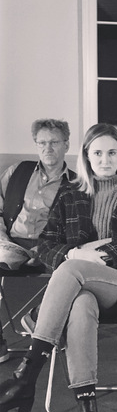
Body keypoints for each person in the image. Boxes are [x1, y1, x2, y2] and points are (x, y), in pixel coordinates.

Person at [0, 123, 117, 412]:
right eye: (98, 153)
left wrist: (100, 255)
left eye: (112, 152)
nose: (105, 159)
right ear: (87, 156)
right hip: (79, 290)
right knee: (80, 304)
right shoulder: (70, 193)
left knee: (71, 269)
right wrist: (76, 252)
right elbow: (47, 245)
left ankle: (27, 374)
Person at [0, 119, 75, 362]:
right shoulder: (17, 172)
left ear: (66, 145)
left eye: (54, 142)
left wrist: (43, 249)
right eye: (41, 143)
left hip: (48, 247)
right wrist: (2, 240)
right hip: (10, 242)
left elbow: (74, 230)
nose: (47, 148)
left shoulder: (75, 184)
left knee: (74, 273)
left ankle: (38, 318)